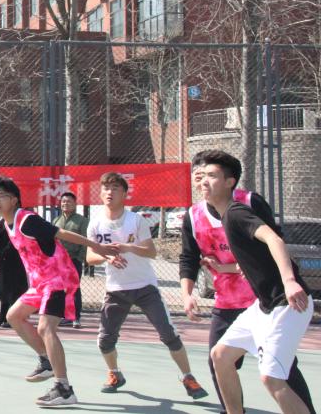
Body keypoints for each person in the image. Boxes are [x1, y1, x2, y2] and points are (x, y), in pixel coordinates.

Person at [181, 150, 314, 414]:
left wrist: (289, 281)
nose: (204, 180)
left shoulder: (237, 212)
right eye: (201, 175)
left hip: (285, 304)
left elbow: (274, 239)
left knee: (273, 378)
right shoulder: (206, 216)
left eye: (212, 175)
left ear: (230, 182)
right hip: (261, 307)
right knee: (220, 356)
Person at [86, 172, 208, 400]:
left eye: (115, 188)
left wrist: (128, 248)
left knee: (169, 334)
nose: (109, 192)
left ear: (125, 194)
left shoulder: (136, 220)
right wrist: (107, 257)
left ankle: (188, 377)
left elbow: (151, 252)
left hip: (145, 287)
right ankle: (114, 374)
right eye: (105, 188)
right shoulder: (96, 223)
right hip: (115, 290)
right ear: (100, 193)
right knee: (105, 340)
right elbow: (89, 257)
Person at [0, 175, 111, 408]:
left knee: (45, 328)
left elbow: (62, 233)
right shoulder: (6, 224)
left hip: (58, 278)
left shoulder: (27, 220)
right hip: (40, 284)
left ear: (14, 200)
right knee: (13, 316)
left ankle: (64, 389)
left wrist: (96, 246)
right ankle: (46, 361)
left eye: (2, 196)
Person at [52, 192, 88, 328]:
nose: (65, 204)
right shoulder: (56, 221)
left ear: (75, 204)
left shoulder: (82, 221)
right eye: (63, 201)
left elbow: (85, 241)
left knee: (74, 289)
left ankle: (75, 318)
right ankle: (64, 316)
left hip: (74, 260)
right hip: (58, 261)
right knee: (60, 289)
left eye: (69, 201)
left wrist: (79, 258)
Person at [0, 216, 27, 327]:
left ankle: (13, 318)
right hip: (1, 260)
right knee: (3, 289)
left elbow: (16, 239)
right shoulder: (2, 220)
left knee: (13, 289)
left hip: (13, 260)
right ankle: (2, 316)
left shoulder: (16, 219)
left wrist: (5, 252)